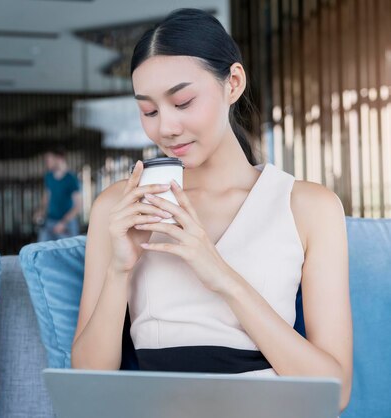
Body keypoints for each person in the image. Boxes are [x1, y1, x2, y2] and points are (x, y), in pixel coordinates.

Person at [70, 8, 352, 412]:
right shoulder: (120, 205)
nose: (165, 127)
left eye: (182, 102)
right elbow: (88, 386)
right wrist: (119, 270)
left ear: (232, 83)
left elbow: (334, 392)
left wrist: (220, 274)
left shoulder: (309, 206)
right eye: (149, 111)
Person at [34, 148, 82, 241]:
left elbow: (78, 206)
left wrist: (63, 222)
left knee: (68, 253)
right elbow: (46, 199)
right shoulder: (48, 177)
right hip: (50, 222)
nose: (47, 162)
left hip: (67, 224)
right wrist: (40, 212)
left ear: (59, 158)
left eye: (49, 159)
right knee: (42, 251)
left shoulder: (71, 179)